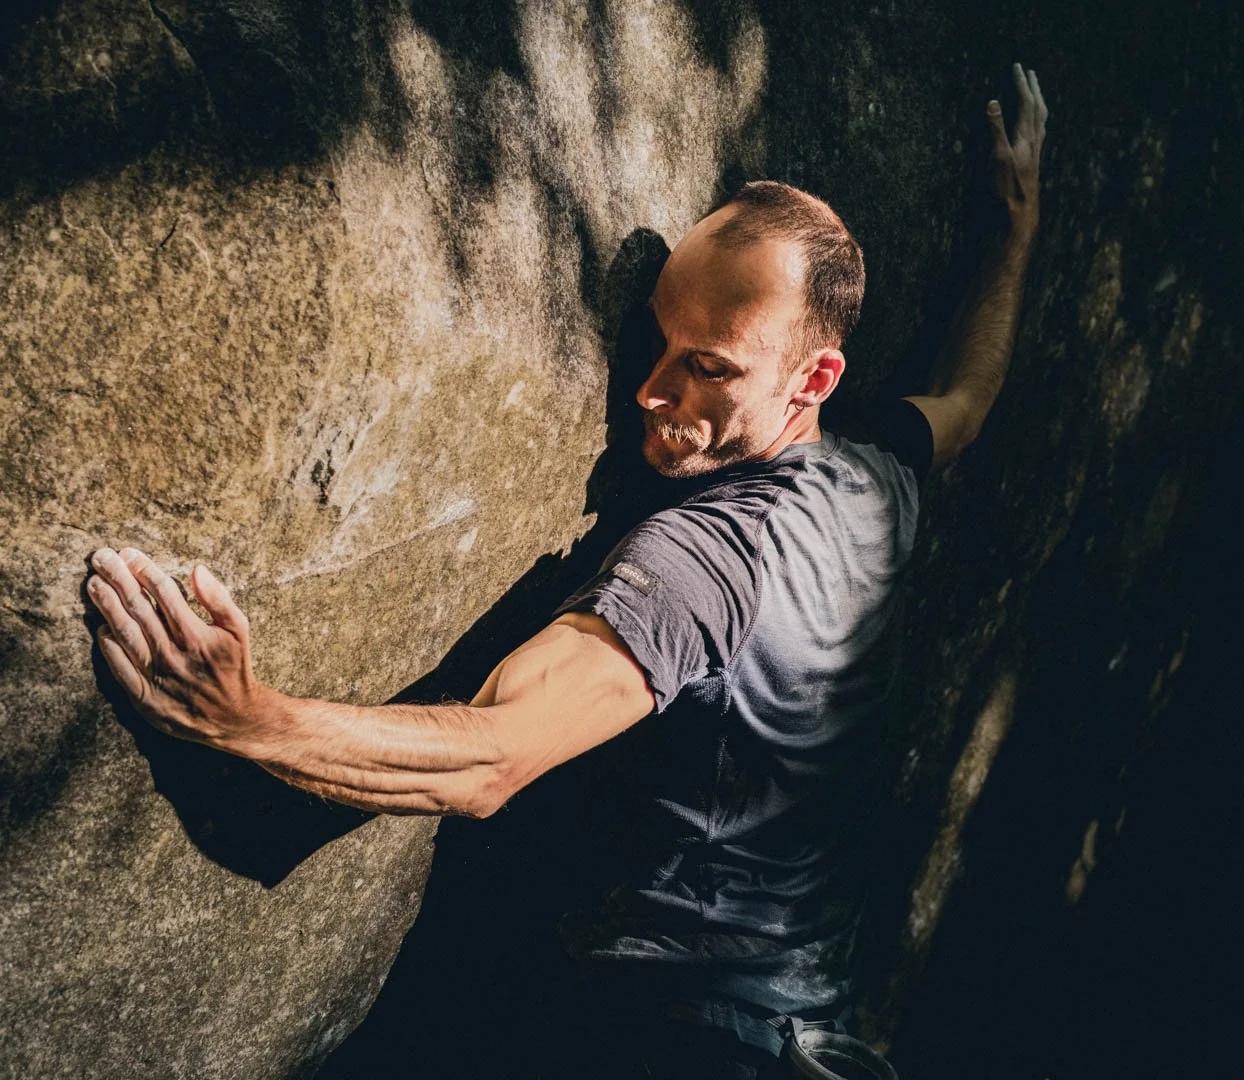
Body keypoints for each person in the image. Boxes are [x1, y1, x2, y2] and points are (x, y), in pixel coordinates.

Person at [86, 64, 1047, 1078]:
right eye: (658, 339)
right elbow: (965, 399)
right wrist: (1015, 227)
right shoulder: (875, 469)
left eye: (706, 365)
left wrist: (251, 719)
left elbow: (494, 757)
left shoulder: (697, 561)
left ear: (815, 377)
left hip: (680, 1039)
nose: (649, 390)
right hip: (809, 1024)